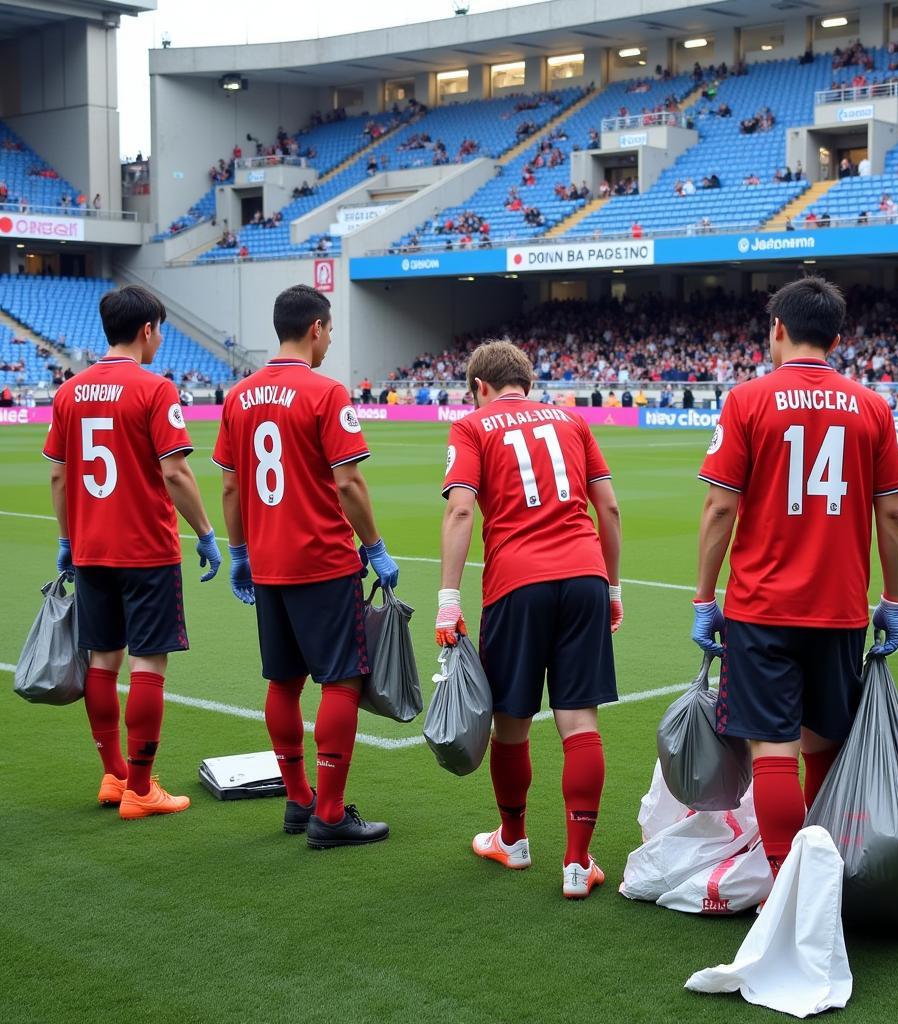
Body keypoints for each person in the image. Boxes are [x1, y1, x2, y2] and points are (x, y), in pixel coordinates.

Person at [690, 275, 898, 883]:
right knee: (821, 745)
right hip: (839, 609)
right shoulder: (872, 405)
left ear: (778, 329)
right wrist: (891, 600)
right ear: (837, 338)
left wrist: (704, 598)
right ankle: (821, 877)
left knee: (773, 751)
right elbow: (891, 512)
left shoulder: (747, 399)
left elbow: (719, 508)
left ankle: (784, 887)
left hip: (761, 609)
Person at [436, 341, 622, 899]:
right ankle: (576, 863)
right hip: (585, 573)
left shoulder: (472, 426)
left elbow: (461, 507)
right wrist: (611, 586)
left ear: (480, 388)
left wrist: (449, 598)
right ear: (528, 384)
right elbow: (608, 506)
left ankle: (513, 842)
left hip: (517, 582)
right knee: (579, 721)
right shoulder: (572, 420)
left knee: (511, 722)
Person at [213, 285, 398, 848]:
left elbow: (229, 484)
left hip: (268, 563)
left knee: (284, 681)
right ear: (315, 328)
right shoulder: (326, 392)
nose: (329, 340)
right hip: (322, 559)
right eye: (330, 331)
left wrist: (240, 552)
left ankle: (298, 802)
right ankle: (332, 815)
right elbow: (348, 480)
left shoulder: (238, 395)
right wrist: (375, 547)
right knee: (341, 682)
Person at [42, 285, 223, 819]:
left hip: (90, 549)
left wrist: (65, 538)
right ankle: (142, 790)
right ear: (147, 330)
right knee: (148, 662)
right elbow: (174, 469)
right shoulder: (154, 388)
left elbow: (58, 473)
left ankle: (114, 774)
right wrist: (206, 532)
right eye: (160, 330)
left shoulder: (69, 391)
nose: (161, 339)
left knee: (101, 659)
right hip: (145, 549)